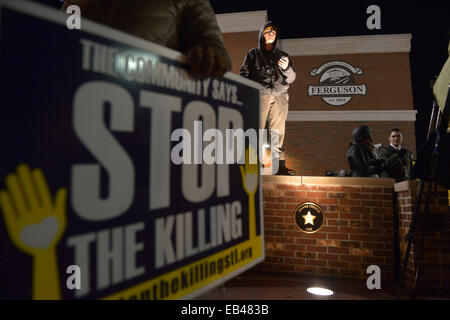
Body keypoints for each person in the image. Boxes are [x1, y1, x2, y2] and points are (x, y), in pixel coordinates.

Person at [61, 0, 231, 79]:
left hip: (150, 118)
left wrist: (210, 57)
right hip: (76, 115)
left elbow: (212, 46)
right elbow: (56, 49)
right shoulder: (75, 4)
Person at [239, 22, 296, 175]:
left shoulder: (283, 56)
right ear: (262, 34)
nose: (271, 33)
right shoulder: (253, 54)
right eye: (268, 31)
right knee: (256, 130)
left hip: (280, 96)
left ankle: (279, 165)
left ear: (276, 36)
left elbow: (292, 78)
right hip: (260, 95)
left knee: (278, 131)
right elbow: (243, 74)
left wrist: (286, 68)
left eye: (274, 32)